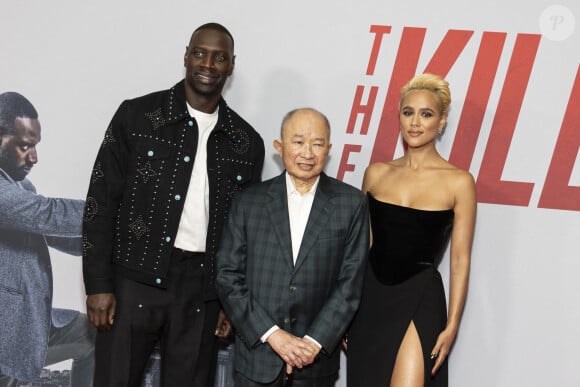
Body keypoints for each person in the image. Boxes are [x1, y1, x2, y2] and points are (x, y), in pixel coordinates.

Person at [82, 22, 265, 386]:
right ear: (186, 56)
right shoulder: (136, 117)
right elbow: (100, 203)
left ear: (231, 65)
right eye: (200, 53)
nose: (208, 64)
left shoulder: (246, 143)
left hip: (202, 291)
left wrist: (230, 301)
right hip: (133, 280)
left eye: (219, 57)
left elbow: (244, 235)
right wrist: (98, 284)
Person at [216, 108, 370, 386]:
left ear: (329, 148)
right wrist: (273, 334)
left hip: (315, 363)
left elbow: (351, 284)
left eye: (318, 143)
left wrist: (312, 342)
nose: (308, 153)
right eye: (298, 142)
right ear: (280, 146)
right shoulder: (248, 202)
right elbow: (228, 276)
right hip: (257, 358)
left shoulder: (351, 204)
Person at [346, 73, 477, 386]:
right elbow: (361, 251)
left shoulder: (459, 182)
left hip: (420, 298)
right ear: (400, 116)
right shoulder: (376, 174)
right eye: (408, 112)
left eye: (426, 114)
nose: (415, 122)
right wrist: (346, 311)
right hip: (370, 299)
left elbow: (460, 260)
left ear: (441, 121)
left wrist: (453, 325)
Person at [0, 92, 95, 387]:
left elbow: (52, 231)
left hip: (29, 323)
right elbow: (49, 213)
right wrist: (111, 209)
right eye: (25, 146)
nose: (34, 157)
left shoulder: (19, 185)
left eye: (35, 146)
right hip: (6, 335)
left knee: (91, 335)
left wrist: (111, 242)